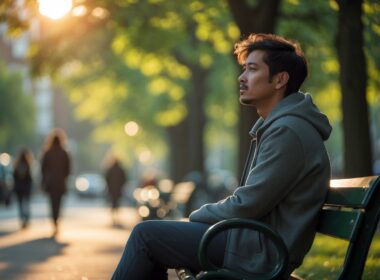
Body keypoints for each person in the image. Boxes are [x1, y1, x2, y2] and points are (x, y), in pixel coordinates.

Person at [111, 33, 332, 279]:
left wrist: (196, 216)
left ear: (280, 79)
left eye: (252, 69)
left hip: (261, 251)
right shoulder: (281, 126)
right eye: (244, 69)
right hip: (253, 240)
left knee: (146, 235)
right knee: (153, 238)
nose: (242, 77)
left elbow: (249, 203)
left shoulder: (287, 131)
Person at [41, 128, 71, 236]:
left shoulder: (47, 152)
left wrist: (44, 181)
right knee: (58, 203)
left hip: (50, 183)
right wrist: (64, 177)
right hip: (60, 183)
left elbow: (43, 168)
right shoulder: (64, 153)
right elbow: (68, 169)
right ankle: (56, 221)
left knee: (52, 203)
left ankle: (54, 221)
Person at [13, 148, 33, 229]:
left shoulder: (17, 165)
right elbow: (30, 178)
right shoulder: (28, 164)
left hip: (19, 188)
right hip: (26, 188)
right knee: (26, 204)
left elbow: (14, 176)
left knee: (20, 204)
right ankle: (26, 219)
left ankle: (22, 219)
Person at [104, 156, 127, 224]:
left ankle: (114, 218)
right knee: (117, 203)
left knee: (113, 203)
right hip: (118, 190)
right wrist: (122, 186)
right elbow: (124, 179)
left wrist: (109, 187)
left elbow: (106, 179)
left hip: (112, 190)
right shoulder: (121, 170)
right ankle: (116, 218)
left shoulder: (110, 169)